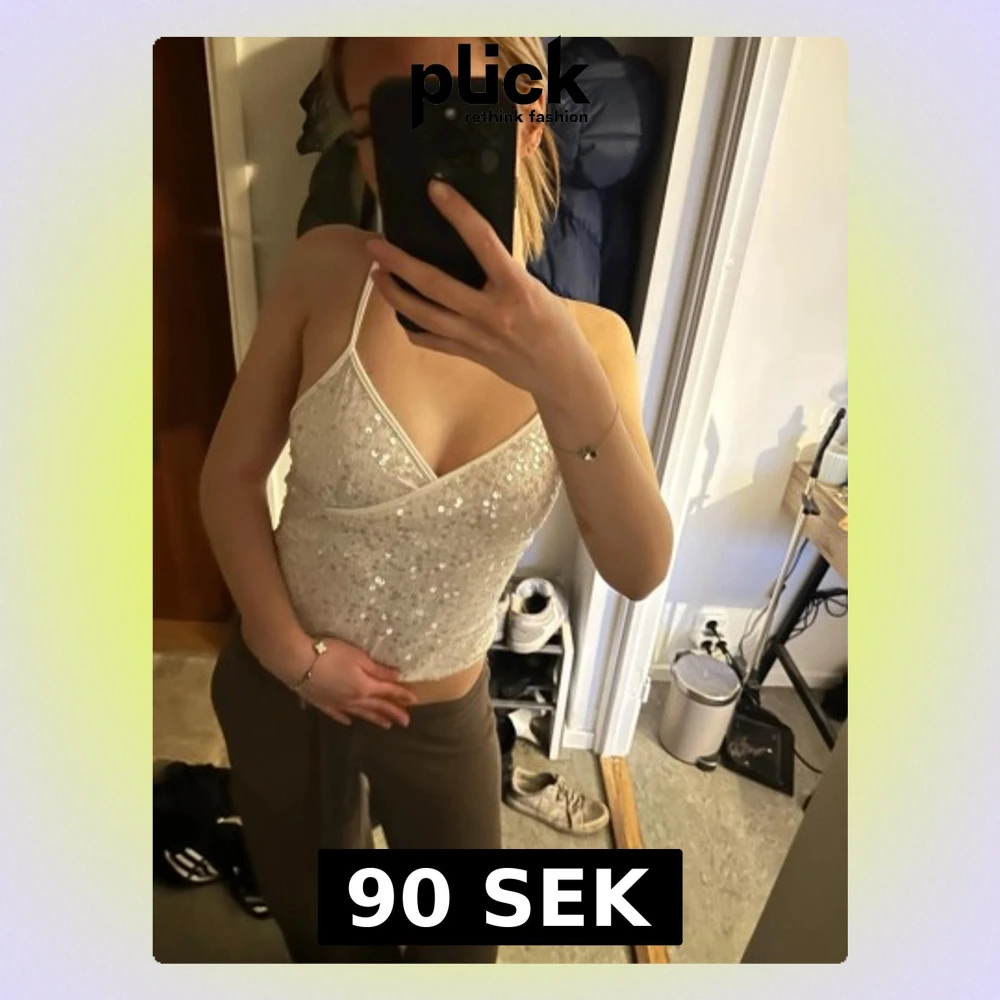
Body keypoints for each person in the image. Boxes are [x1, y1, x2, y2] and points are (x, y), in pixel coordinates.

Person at [200, 36, 673, 964]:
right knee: (321, 939)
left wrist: (564, 378)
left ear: (525, 119)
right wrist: (293, 656)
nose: (408, 151)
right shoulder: (323, 271)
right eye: (377, 125)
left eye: (444, 107)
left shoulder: (595, 345)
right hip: (282, 683)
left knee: (461, 954)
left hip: (445, 713)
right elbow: (228, 479)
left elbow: (639, 567)